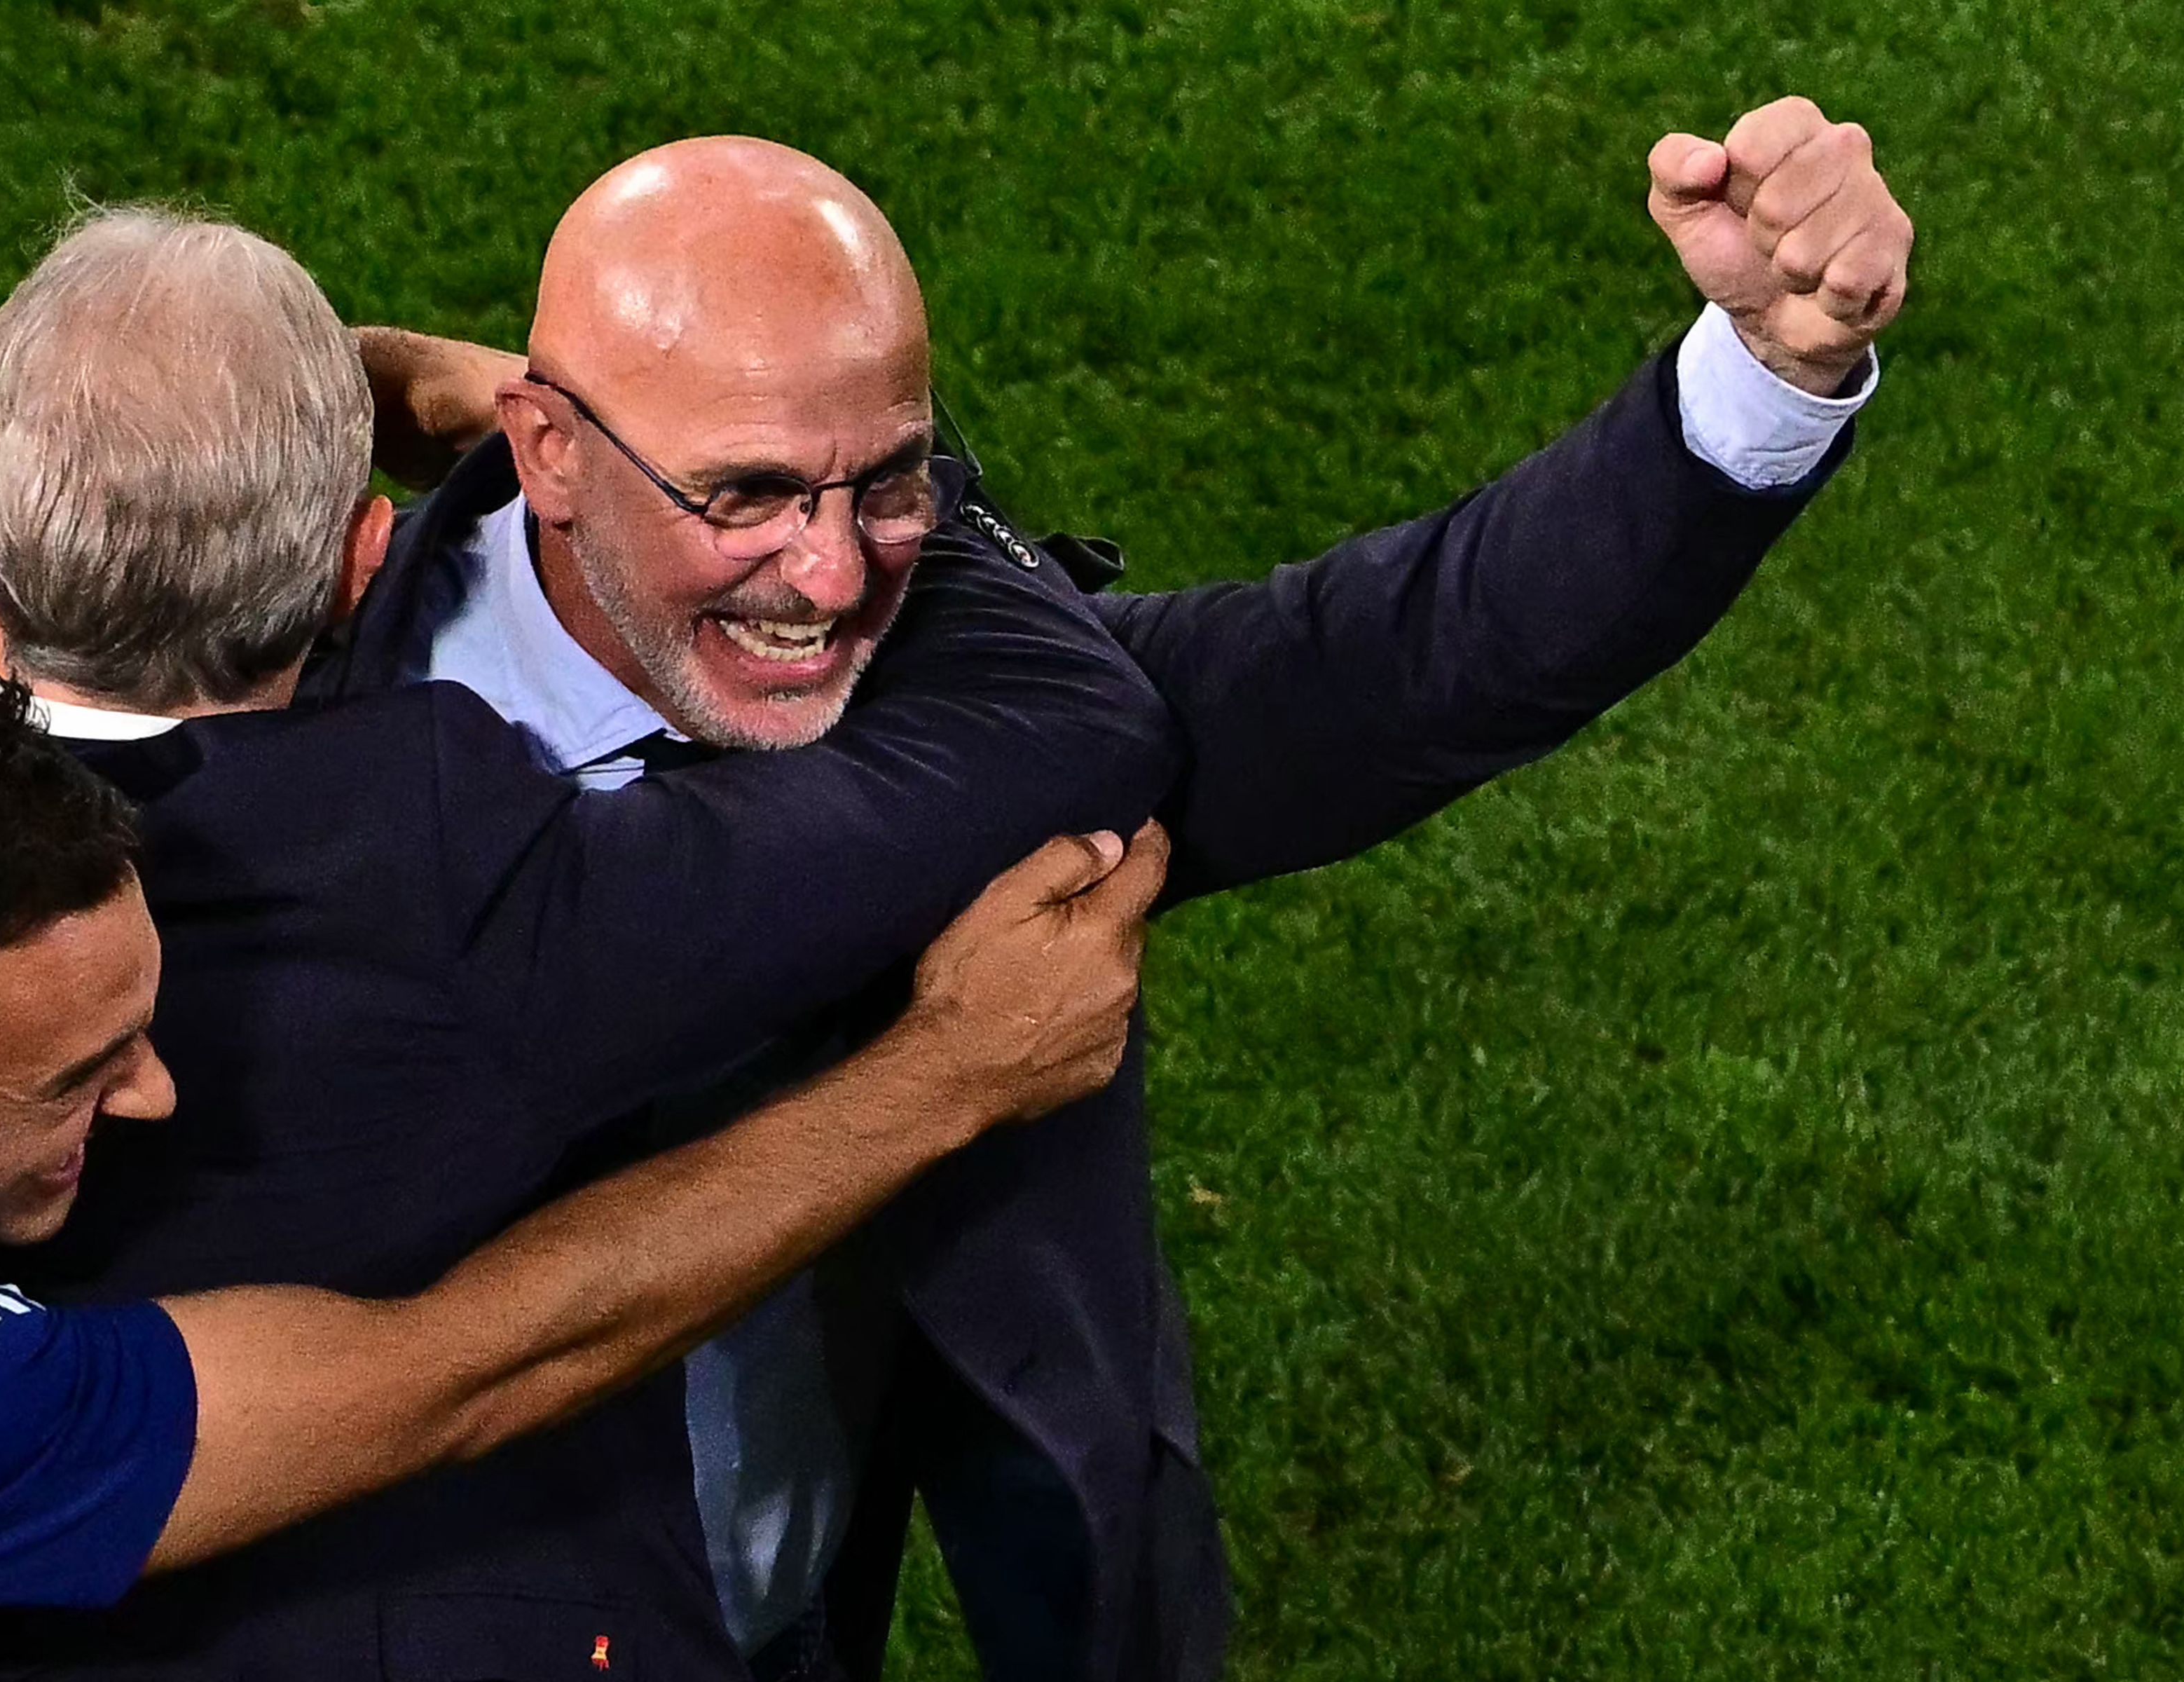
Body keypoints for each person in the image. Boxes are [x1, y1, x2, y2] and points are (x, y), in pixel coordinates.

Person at [296, 96, 1914, 1681]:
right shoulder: (275, 715)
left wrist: (1767, 374)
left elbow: (1400, 660)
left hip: (774, 1605)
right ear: (549, 451)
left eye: (891, 485)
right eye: (746, 495)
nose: (834, 577)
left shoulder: (964, 733)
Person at [0, 207, 1189, 1679]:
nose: (149, 1091)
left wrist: (170, 401)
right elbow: (1070, 716)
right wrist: (949, 1072)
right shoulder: (447, 861)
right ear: (369, 560)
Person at [0, 650, 1162, 1674]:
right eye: (76, 1074)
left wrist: (387, 372)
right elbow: (461, 1371)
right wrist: (948, 1077)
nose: (157, 1096)